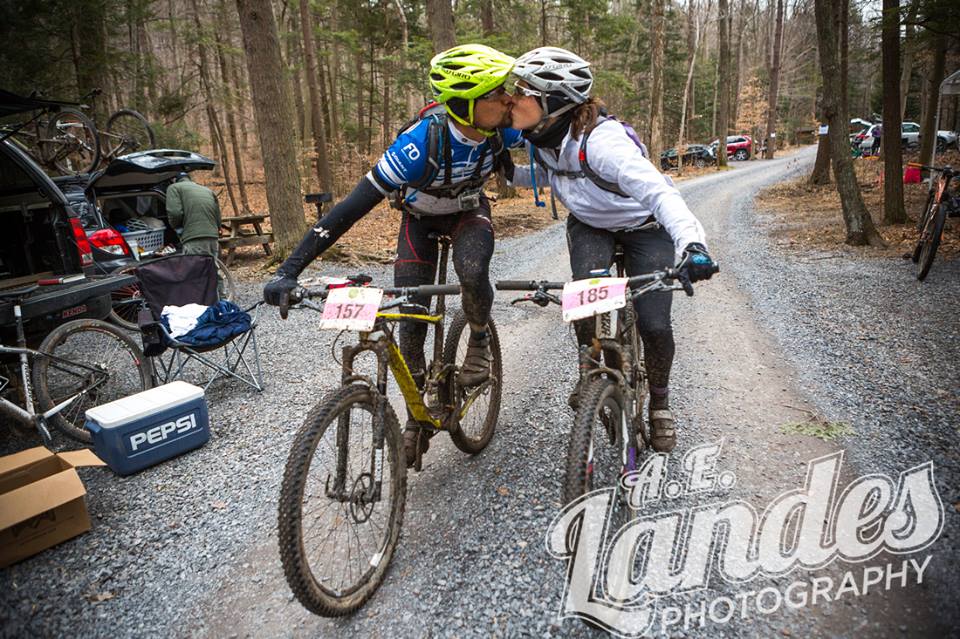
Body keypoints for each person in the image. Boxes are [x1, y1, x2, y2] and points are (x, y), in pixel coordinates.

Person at [263, 44, 522, 468]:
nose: (508, 99)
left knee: (473, 270)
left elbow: (556, 134)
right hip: (419, 220)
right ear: (465, 105)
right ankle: (417, 417)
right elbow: (349, 210)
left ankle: (478, 339)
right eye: (497, 93)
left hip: (468, 213)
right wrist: (288, 270)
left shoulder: (503, 129)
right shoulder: (418, 144)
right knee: (410, 322)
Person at [506, 47, 718, 453]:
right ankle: (590, 371)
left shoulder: (604, 143)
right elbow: (551, 174)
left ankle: (660, 404)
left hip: (645, 227)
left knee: (654, 324)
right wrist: (504, 171)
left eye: (523, 92)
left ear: (553, 102)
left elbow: (660, 193)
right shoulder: (543, 137)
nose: (513, 100)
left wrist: (693, 244)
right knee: (584, 301)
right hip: (591, 225)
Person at [166, 172, 224, 296]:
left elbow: (175, 213)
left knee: (195, 272)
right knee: (213, 269)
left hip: (194, 236)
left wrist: (177, 227)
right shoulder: (206, 190)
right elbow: (217, 214)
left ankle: (201, 302)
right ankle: (222, 300)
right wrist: (218, 228)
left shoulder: (174, 188)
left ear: (175, 180)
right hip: (212, 235)